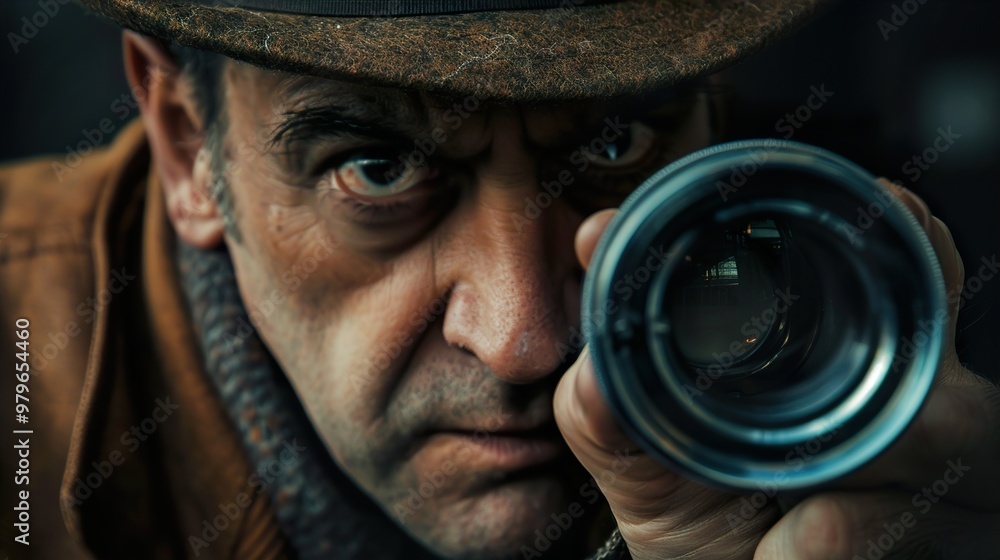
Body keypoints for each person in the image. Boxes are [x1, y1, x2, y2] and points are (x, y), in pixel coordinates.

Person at [1, 1, 997, 558]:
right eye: (377, 169)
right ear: (187, 148)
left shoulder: (871, 371)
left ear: (714, 114)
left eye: (615, 139)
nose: (524, 337)